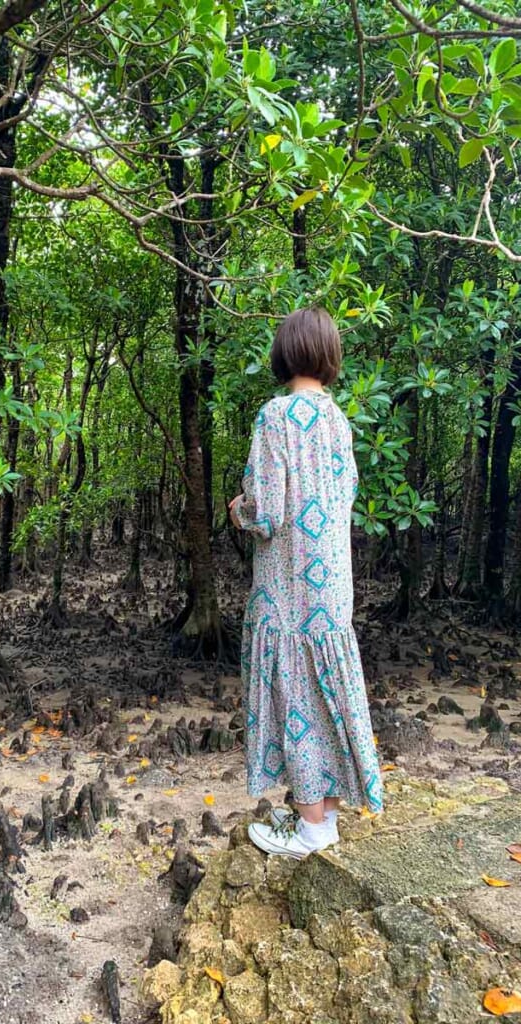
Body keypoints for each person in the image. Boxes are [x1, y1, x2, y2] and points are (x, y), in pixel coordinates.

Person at [228, 307, 382, 859]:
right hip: (332, 586)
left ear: (285, 354)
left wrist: (238, 510)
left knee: (295, 692)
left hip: (288, 586)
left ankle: (312, 826)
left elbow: (266, 512)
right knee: (327, 692)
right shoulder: (338, 420)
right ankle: (325, 815)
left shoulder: (276, 417)